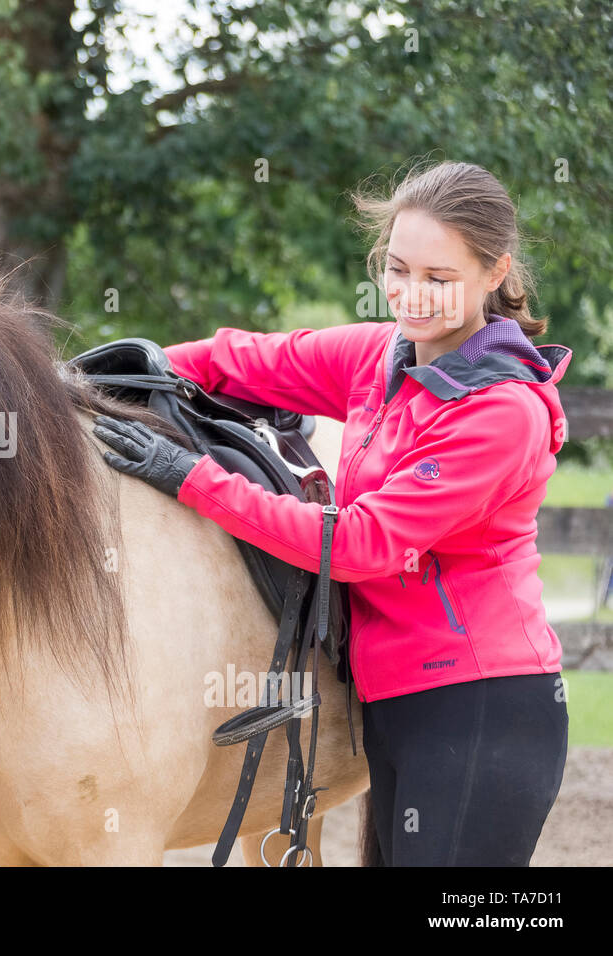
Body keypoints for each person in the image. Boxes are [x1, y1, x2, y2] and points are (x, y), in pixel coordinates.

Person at [93, 160, 570, 866]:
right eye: (398, 269)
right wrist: (93, 378)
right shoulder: (382, 356)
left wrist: (192, 478)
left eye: (439, 280)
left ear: (496, 271)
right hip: (388, 705)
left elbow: (359, 544)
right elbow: (237, 361)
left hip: (482, 707)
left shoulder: (501, 413)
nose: (411, 295)